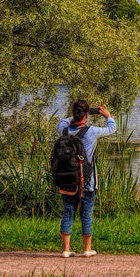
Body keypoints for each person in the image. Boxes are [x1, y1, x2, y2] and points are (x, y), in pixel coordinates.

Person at [57, 99, 115, 258]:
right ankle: (87, 249)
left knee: (68, 211)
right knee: (86, 213)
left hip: (67, 180)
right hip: (87, 180)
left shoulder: (64, 130)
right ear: (87, 115)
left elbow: (62, 121)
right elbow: (111, 129)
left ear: (75, 114)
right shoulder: (92, 131)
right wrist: (107, 115)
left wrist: (71, 117)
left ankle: (65, 250)